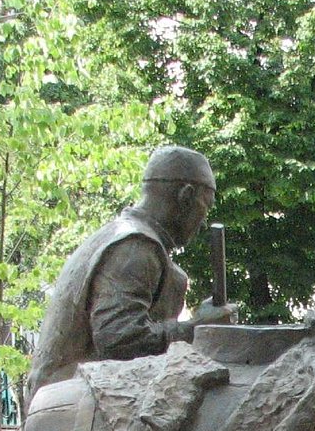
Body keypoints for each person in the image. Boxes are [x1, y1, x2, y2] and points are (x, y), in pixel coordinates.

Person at [26, 145, 229, 405]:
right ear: (186, 196)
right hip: (71, 406)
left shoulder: (123, 236)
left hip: (71, 399)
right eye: (206, 206)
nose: (203, 221)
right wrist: (195, 329)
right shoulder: (135, 247)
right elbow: (119, 341)